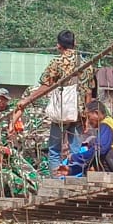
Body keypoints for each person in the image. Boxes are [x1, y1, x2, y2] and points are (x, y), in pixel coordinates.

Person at [38, 30, 89, 170]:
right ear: (75, 44)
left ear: (58, 46)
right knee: (76, 150)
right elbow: (89, 92)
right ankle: (76, 179)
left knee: (54, 150)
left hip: (60, 112)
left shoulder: (57, 62)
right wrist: (87, 117)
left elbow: (45, 84)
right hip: (78, 114)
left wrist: (26, 101)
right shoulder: (85, 63)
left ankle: (55, 180)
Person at [58, 100, 113, 177]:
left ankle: (109, 177)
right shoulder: (107, 124)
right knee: (94, 146)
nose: (88, 121)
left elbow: (100, 150)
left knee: (98, 148)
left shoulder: (107, 124)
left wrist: (75, 157)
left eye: (88, 117)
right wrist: (71, 170)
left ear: (97, 113)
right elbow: (93, 157)